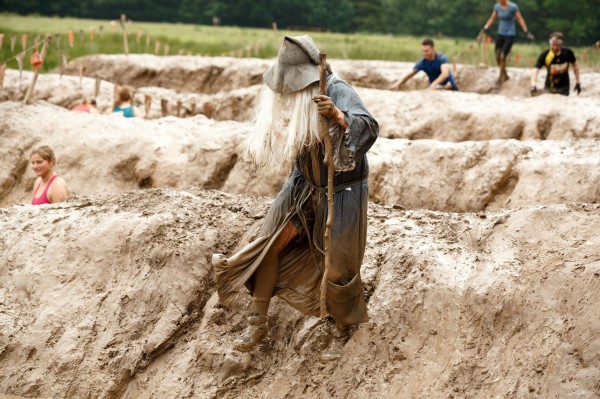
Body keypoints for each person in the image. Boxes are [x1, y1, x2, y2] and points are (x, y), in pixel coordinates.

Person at [211, 35, 379, 362]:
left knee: (339, 264)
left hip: (341, 190)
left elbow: (369, 127)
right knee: (271, 241)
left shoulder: (337, 90)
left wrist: (339, 117)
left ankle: (341, 326)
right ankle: (257, 321)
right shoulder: (298, 94)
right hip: (303, 183)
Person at [481, 0, 534, 84]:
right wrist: (485, 28)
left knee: (503, 55)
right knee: (497, 55)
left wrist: (526, 31)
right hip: (500, 33)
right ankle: (504, 74)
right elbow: (492, 18)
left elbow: (520, 19)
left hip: (510, 34)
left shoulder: (513, 7)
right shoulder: (497, 6)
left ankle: (500, 77)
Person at [390, 38, 458, 91]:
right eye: (422, 51)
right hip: (433, 89)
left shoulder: (441, 57)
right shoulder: (422, 62)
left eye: (426, 51)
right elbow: (410, 74)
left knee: (448, 85)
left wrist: (433, 85)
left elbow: (445, 74)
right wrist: (398, 83)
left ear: (433, 49)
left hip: (449, 87)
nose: (424, 53)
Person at [531, 32, 581, 96]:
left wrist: (578, 82)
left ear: (561, 44)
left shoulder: (568, 53)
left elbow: (575, 67)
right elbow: (536, 70)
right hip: (549, 86)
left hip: (564, 87)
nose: (554, 47)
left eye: (557, 45)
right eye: (553, 45)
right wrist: (533, 84)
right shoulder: (545, 55)